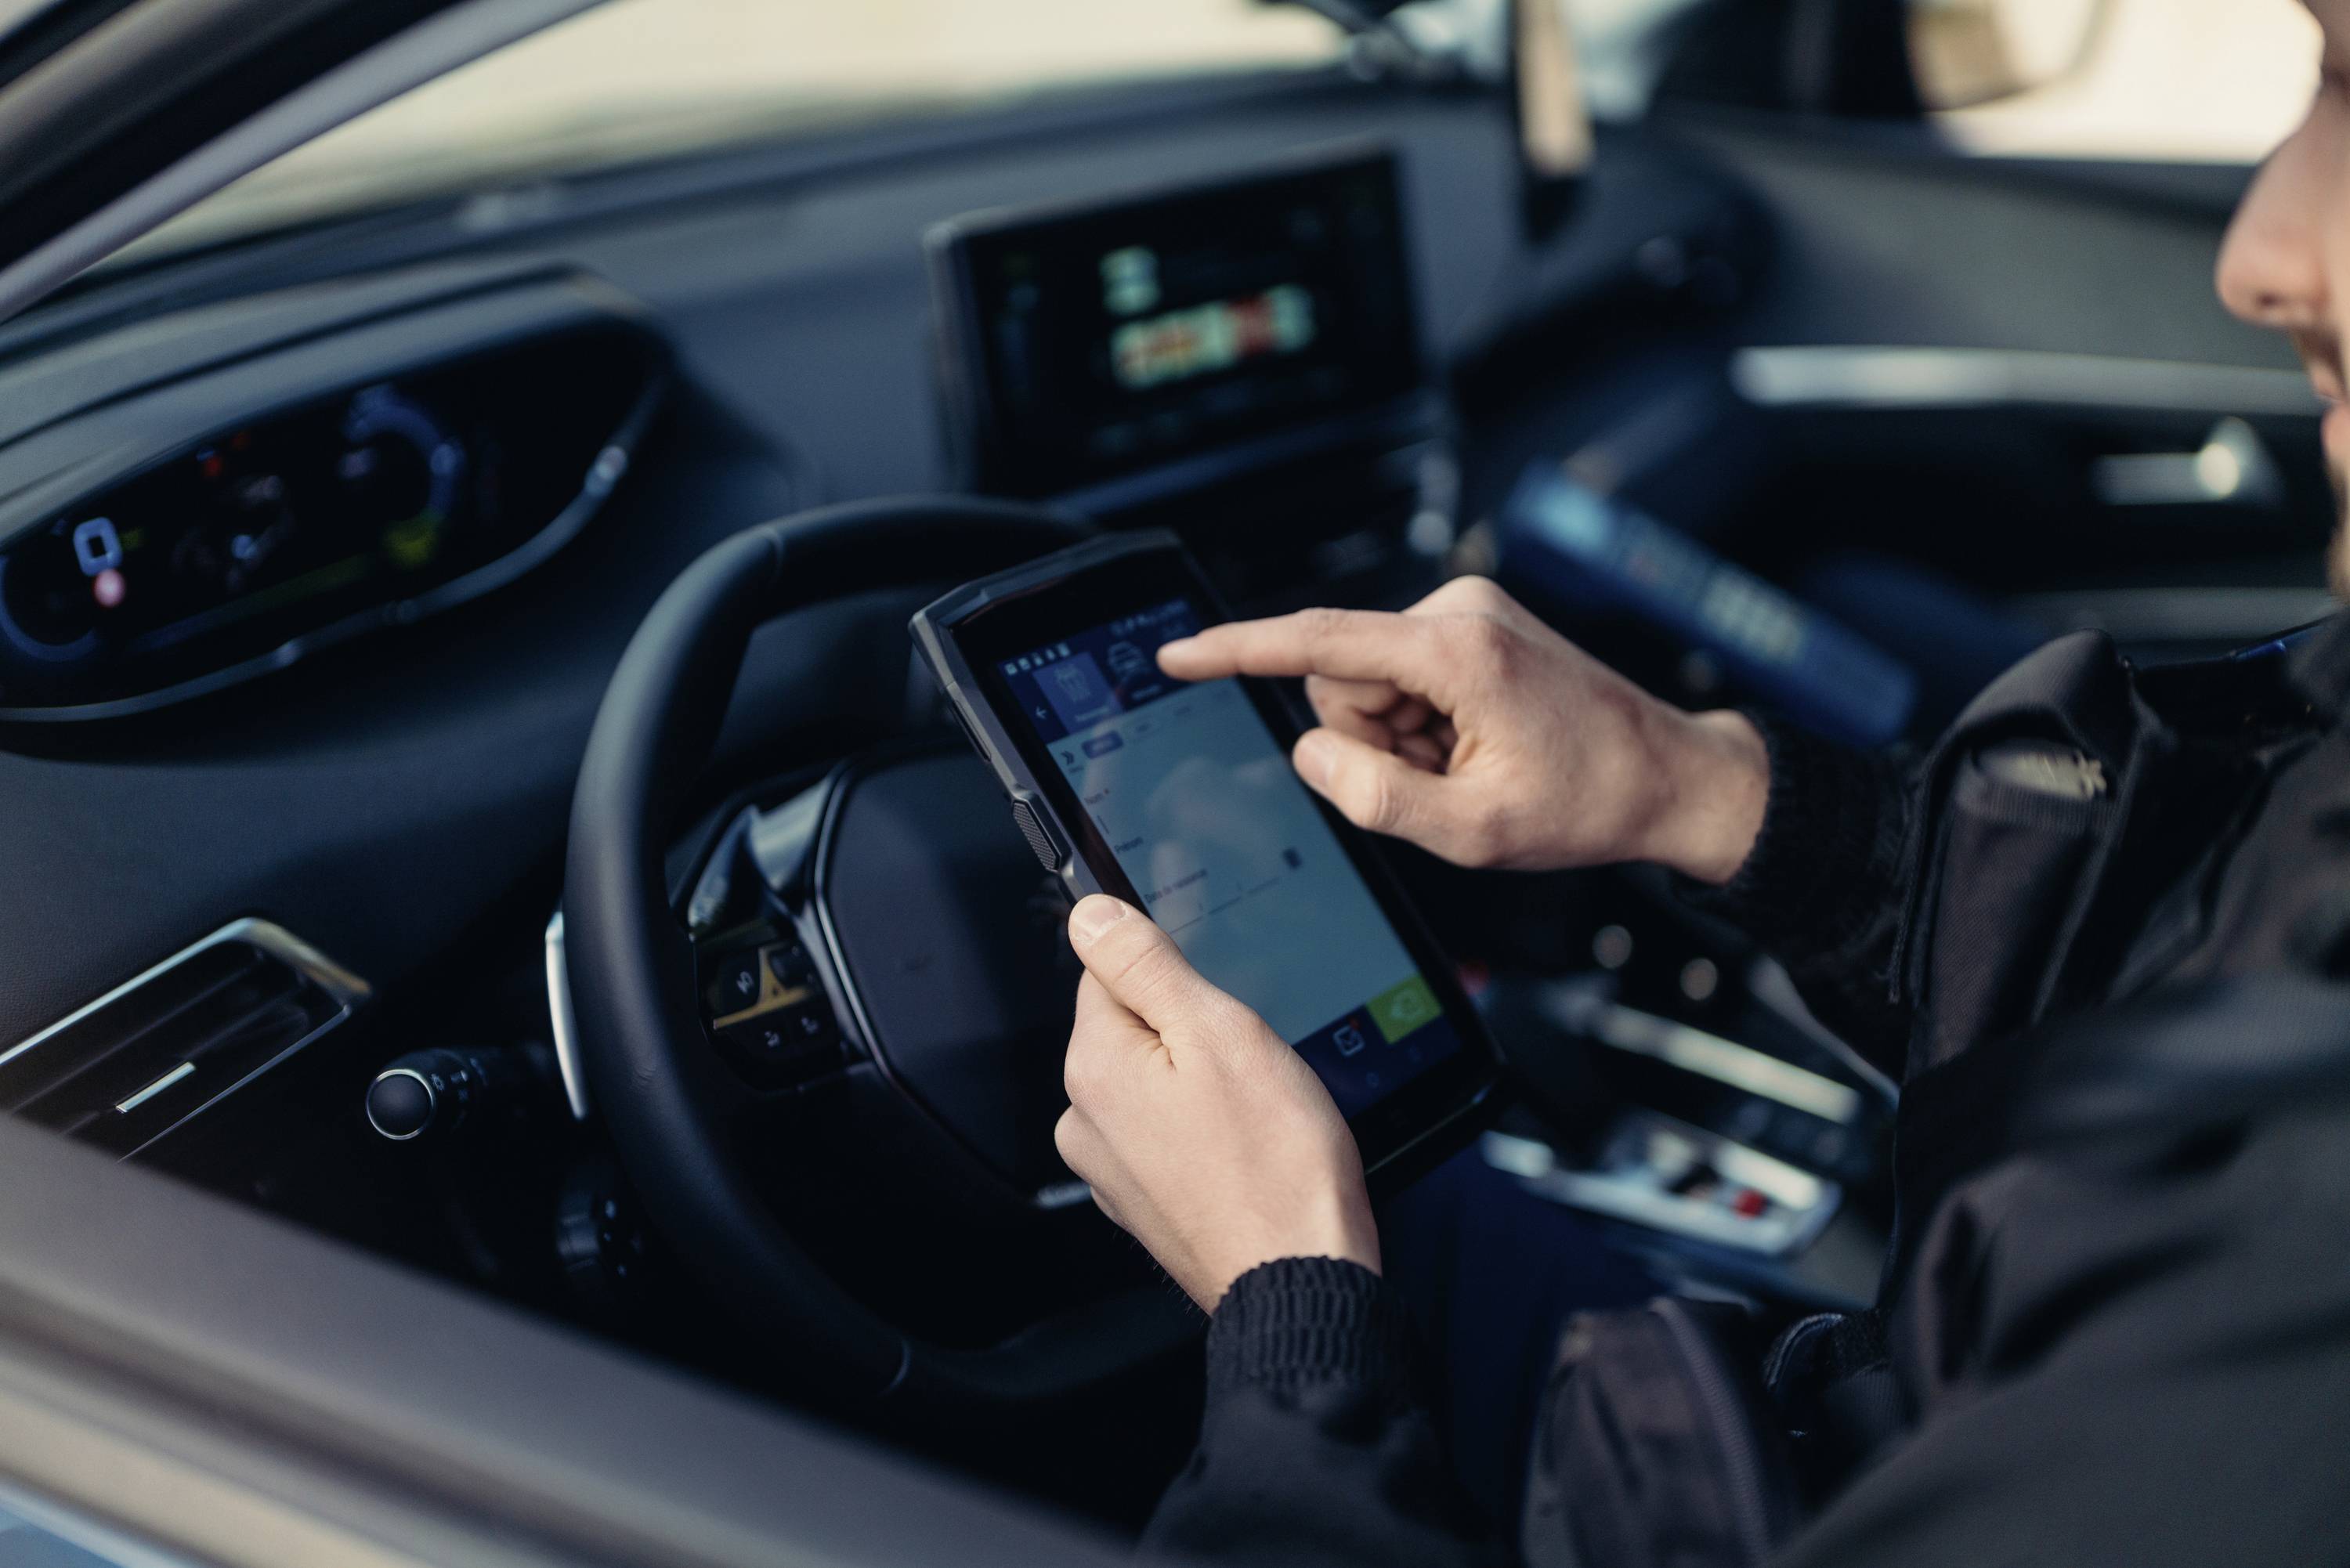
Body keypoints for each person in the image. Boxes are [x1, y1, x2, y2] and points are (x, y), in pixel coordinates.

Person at [1050, 7, 2350, 1564]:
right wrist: (1711, 792)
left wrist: (1293, 1327)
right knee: (1430, 1191)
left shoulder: (2291, 1314)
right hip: (1853, 1410)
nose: (2257, 254)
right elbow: (2211, 930)